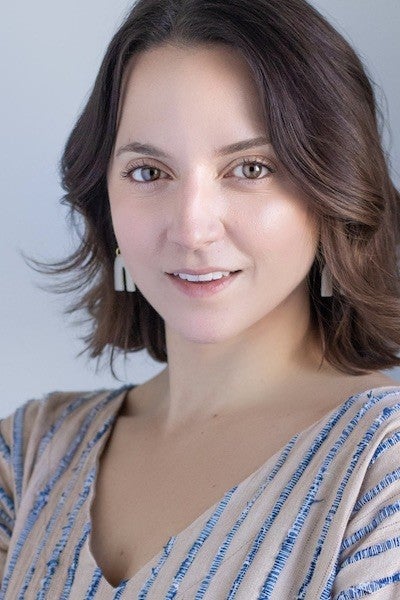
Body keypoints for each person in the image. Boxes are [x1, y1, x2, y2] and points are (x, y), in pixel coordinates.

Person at [1, 0, 400, 597]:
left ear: (333, 188)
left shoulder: (382, 467)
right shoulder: (29, 452)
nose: (192, 230)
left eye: (251, 168)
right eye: (148, 172)